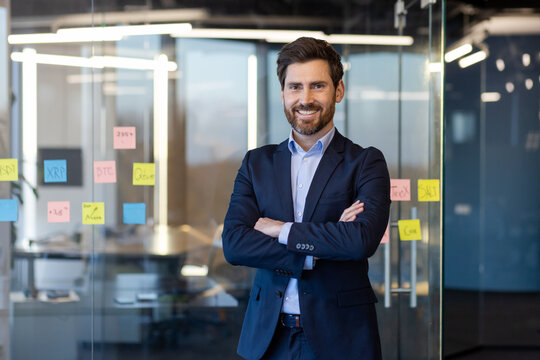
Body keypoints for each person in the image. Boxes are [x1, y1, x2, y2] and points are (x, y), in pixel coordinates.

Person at [222, 37, 390, 360]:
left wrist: (280, 230)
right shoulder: (256, 164)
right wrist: (318, 247)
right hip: (268, 340)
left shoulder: (366, 163)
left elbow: (360, 240)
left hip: (340, 339)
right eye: (295, 87)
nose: (305, 98)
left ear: (338, 91)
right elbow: (234, 243)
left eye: (317, 86)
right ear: (283, 93)